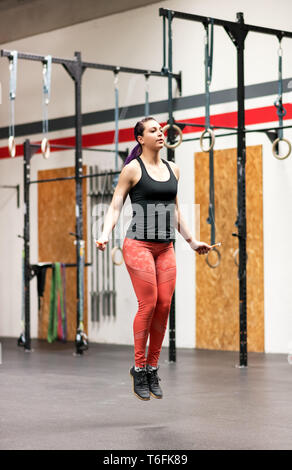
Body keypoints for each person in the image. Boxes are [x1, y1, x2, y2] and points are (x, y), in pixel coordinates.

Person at [96, 116, 212, 401]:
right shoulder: (132, 170)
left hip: (165, 247)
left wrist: (192, 241)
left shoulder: (174, 169)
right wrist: (103, 234)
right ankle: (138, 367)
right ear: (140, 139)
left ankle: (151, 368)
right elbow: (114, 206)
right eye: (153, 130)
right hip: (138, 244)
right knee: (147, 304)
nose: (160, 133)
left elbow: (175, 212)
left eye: (160, 129)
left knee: (163, 305)